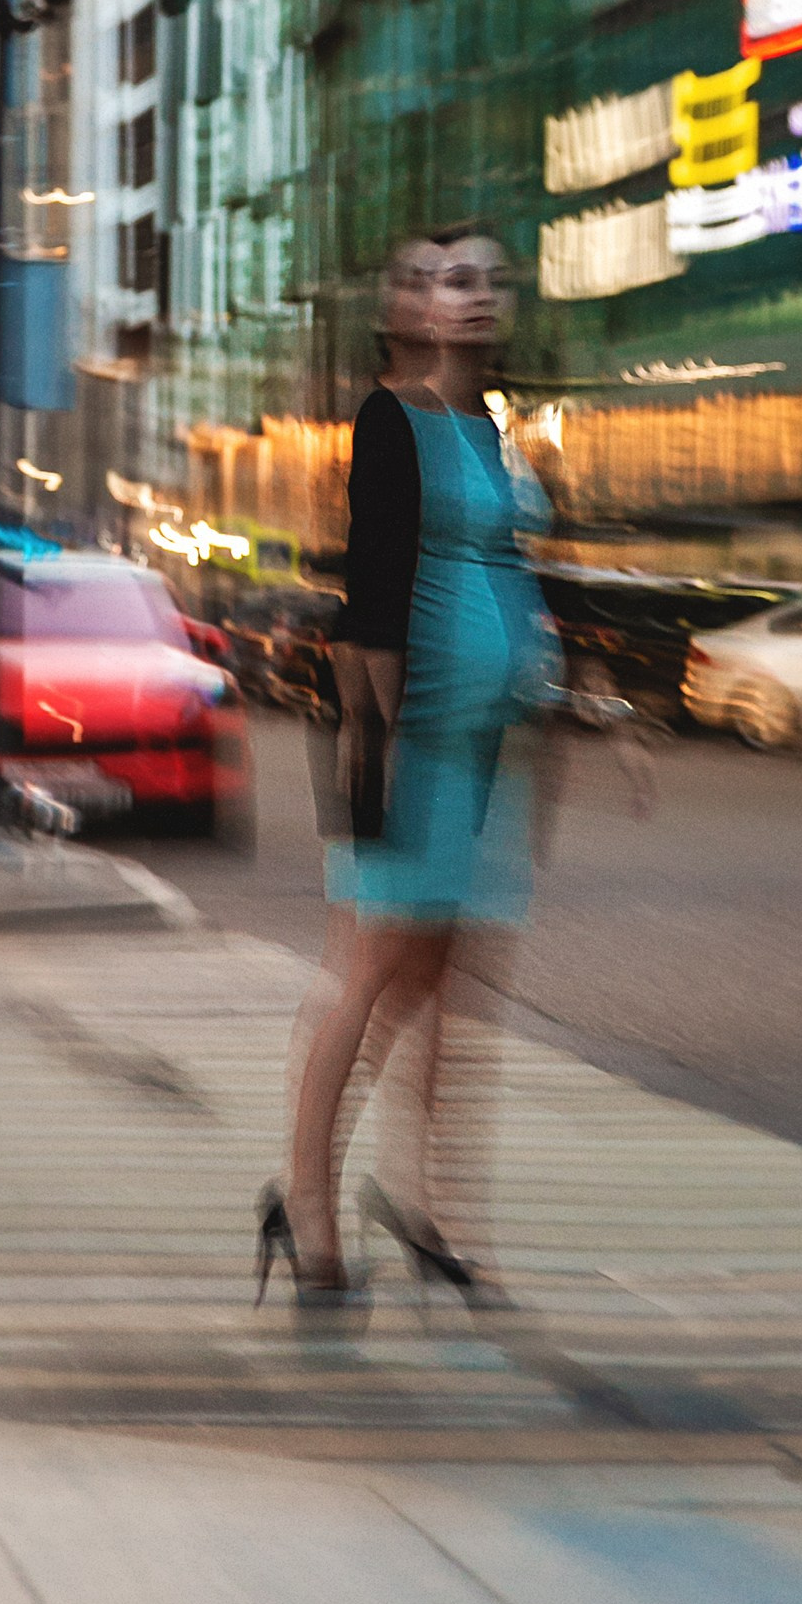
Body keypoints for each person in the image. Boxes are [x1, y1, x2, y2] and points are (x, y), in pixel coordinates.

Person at [262, 230, 555, 1310]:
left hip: (492, 744)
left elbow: (517, 574)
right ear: (406, 311)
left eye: (483, 278)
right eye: (442, 281)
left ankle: (423, 1198)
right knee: (373, 966)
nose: (469, 297)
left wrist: (577, 706)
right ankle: (304, 1196)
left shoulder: (489, 429)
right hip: (408, 736)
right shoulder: (391, 419)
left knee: (448, 979)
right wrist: (374, 754)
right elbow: (369, 596)